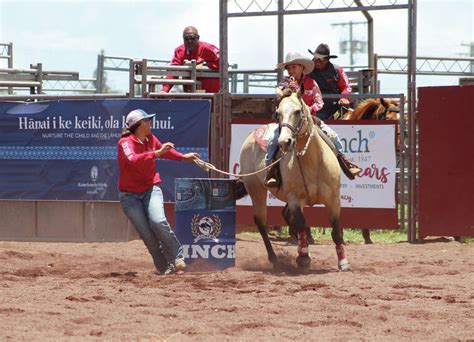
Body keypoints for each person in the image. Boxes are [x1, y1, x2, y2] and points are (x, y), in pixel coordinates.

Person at [117, 109, 200, 275]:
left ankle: (177, 257)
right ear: (139, 125)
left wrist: (183, 157)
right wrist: (157, 153)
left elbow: (165, 152)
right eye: (147, 120)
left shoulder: (150, 139)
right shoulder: (125, 143)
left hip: (150, 188)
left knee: (158, 221)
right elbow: (133, 159)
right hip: (129, 196)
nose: (150, 123)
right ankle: (165, 268)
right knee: (147, 235)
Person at [264, 52, 361, 188]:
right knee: (273, 141)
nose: (291, 71)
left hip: (309, 118)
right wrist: (288, 91)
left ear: (302, 68)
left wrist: (310, 109)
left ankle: (345, 162)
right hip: (288, 121)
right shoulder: (284, 83)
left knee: (333, 136)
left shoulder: (311, 83)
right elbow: (278, 96)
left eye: (294, 67)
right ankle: (270, 171)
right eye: (289, 68)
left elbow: (319, 101)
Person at [160, 26, 220, 93]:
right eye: (186, 39)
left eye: (193, 38)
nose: (190, 41)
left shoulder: (209, 49)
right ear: (183, 39)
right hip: (191, 95)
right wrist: (164, 90)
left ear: (198, 38)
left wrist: (206, 64)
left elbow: (224, 64)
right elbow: (173, 72)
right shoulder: (179, 51)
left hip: (212, 95)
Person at [307, 43, 352, 120]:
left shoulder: (337, 70)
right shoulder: (307, 70)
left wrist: (344, 97)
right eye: (316, 57)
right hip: (314, 107)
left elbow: (347, 86)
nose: (318, 61)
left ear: (328, 59)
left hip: (335, 108)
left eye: (322, 59)